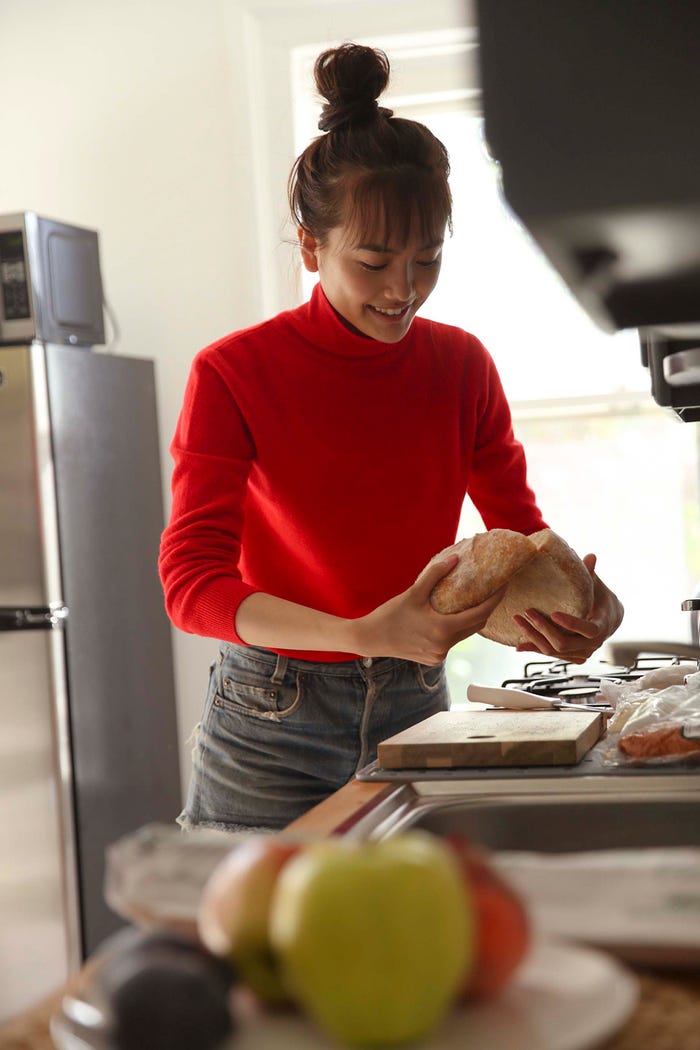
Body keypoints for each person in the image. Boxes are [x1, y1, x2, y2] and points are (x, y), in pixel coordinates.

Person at [159, 42, 623, 832]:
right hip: (270, 721)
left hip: (415, 705)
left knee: (411, 913)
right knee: (249, 915)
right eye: (374, 262)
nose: (403, 290)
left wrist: (579, 610)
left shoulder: (461, 366)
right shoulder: (233, 372)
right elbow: (191, 584)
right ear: (311, 247)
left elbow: (520, 539)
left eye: (427, 259)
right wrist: (358, 633)